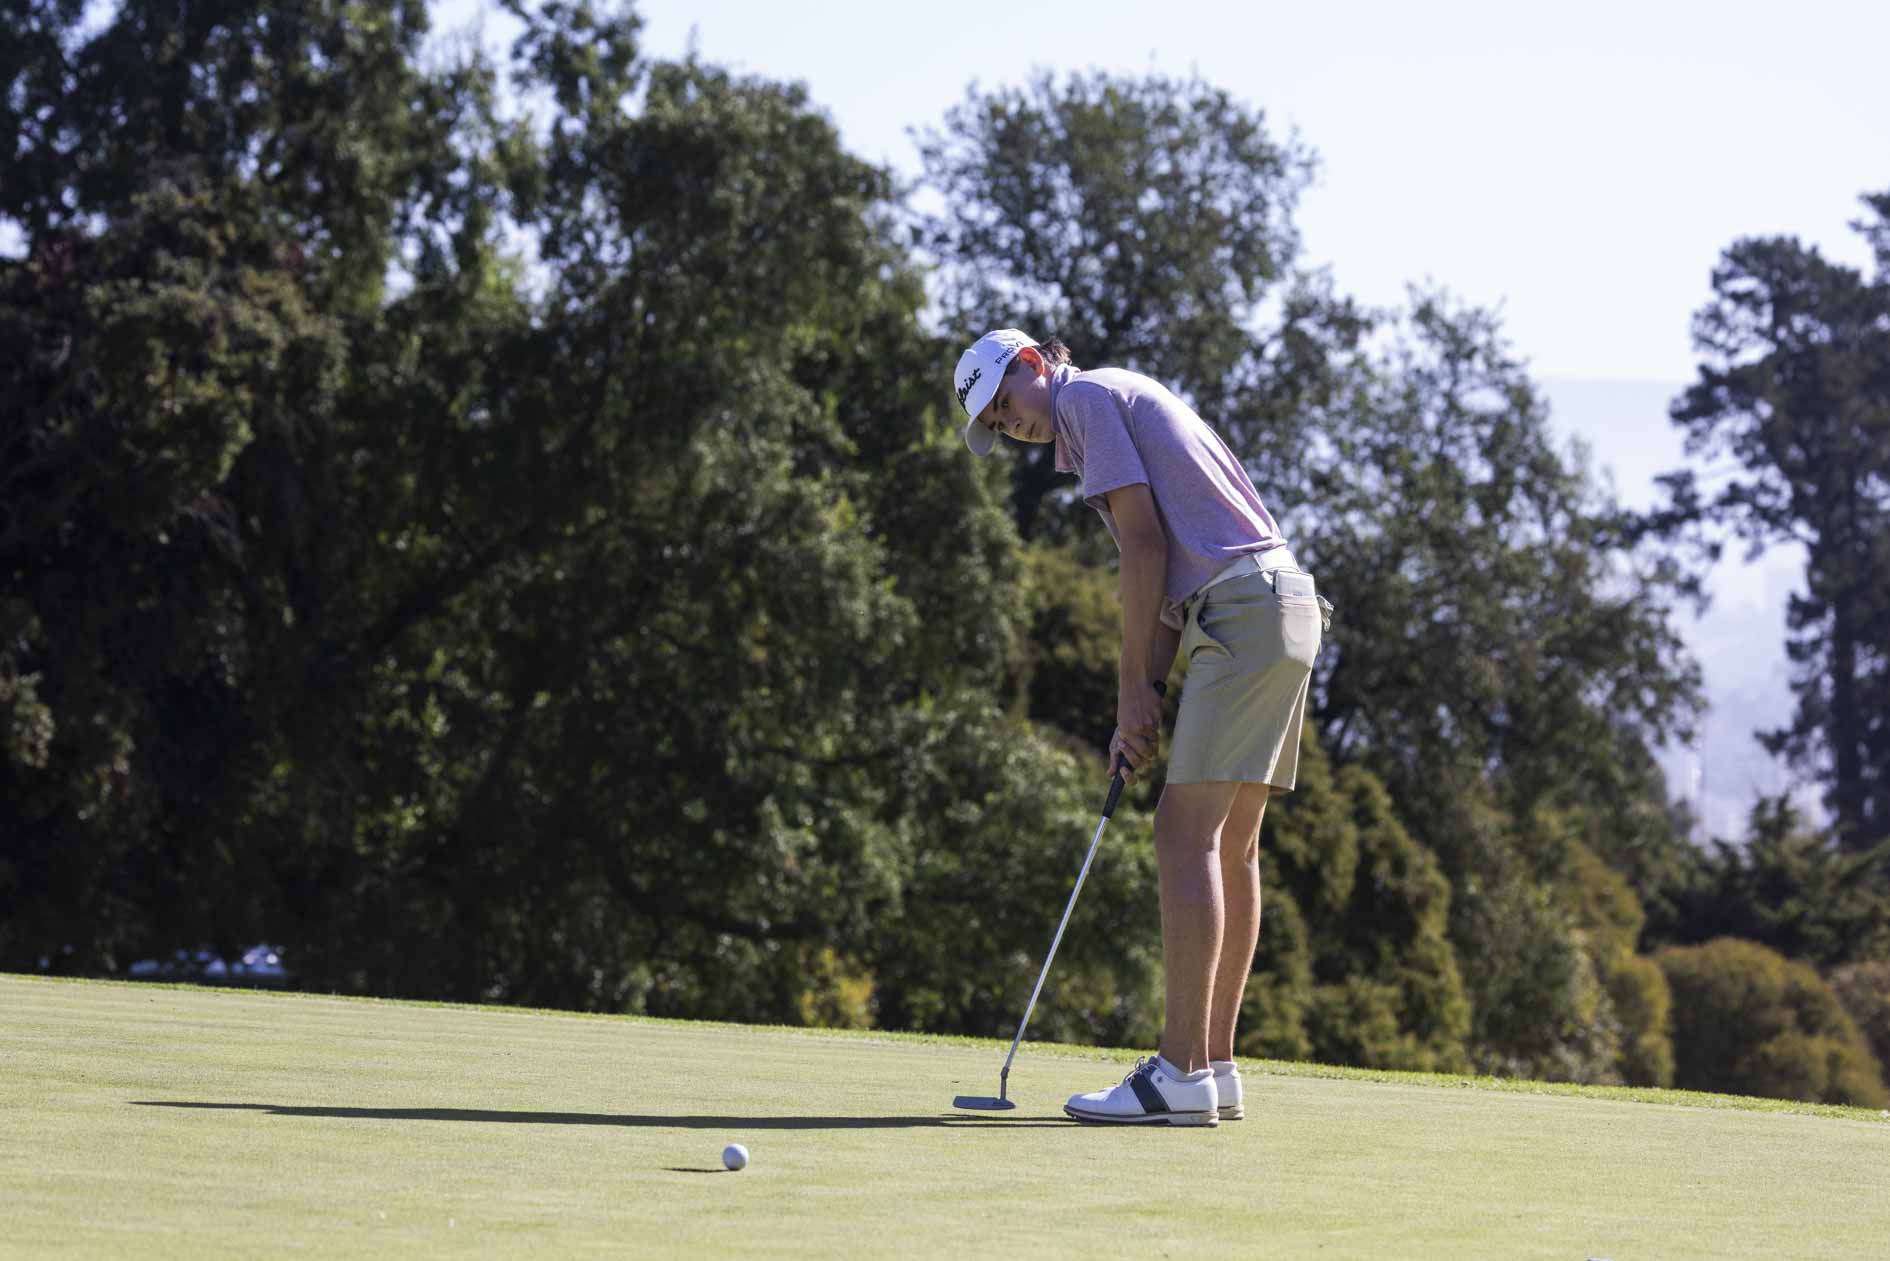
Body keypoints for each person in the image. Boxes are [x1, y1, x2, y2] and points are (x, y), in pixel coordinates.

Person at [954, 328, 1328, 1126]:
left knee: (1181, 833)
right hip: (1283, 607)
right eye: (996, 423)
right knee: (1232, 844)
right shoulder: (1112, 398)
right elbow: (1165, 592)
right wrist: (1143, 701)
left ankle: (1177, 1071)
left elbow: (1145, 549)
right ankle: (1214, 1066)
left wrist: (1130, 687)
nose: (1010, 425)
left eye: (1005, 403)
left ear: (1033, 363)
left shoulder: (1084, 399)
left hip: (1243, 610)